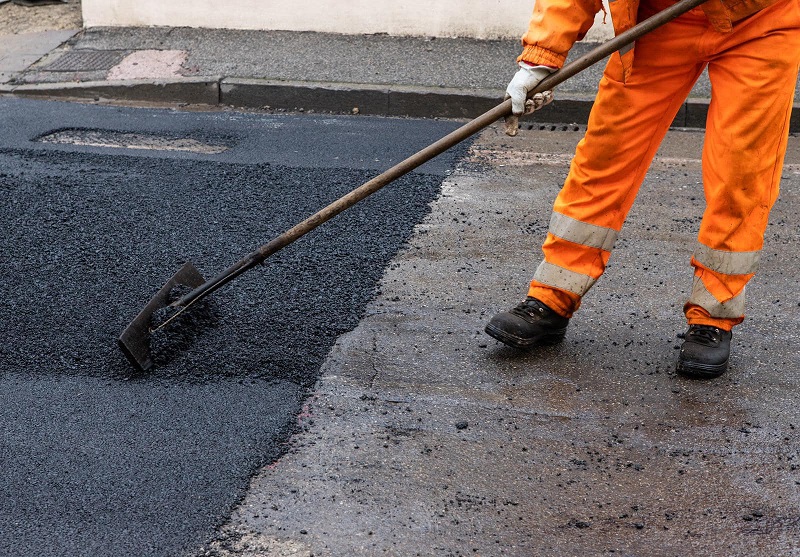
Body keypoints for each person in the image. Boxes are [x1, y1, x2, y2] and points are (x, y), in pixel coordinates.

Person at [484, 0, 800, 379]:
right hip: (659, 16)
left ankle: (714, 315)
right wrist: (541, 58)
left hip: (762, 20)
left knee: (742, 171)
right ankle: (552, 296)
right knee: (606, 155)